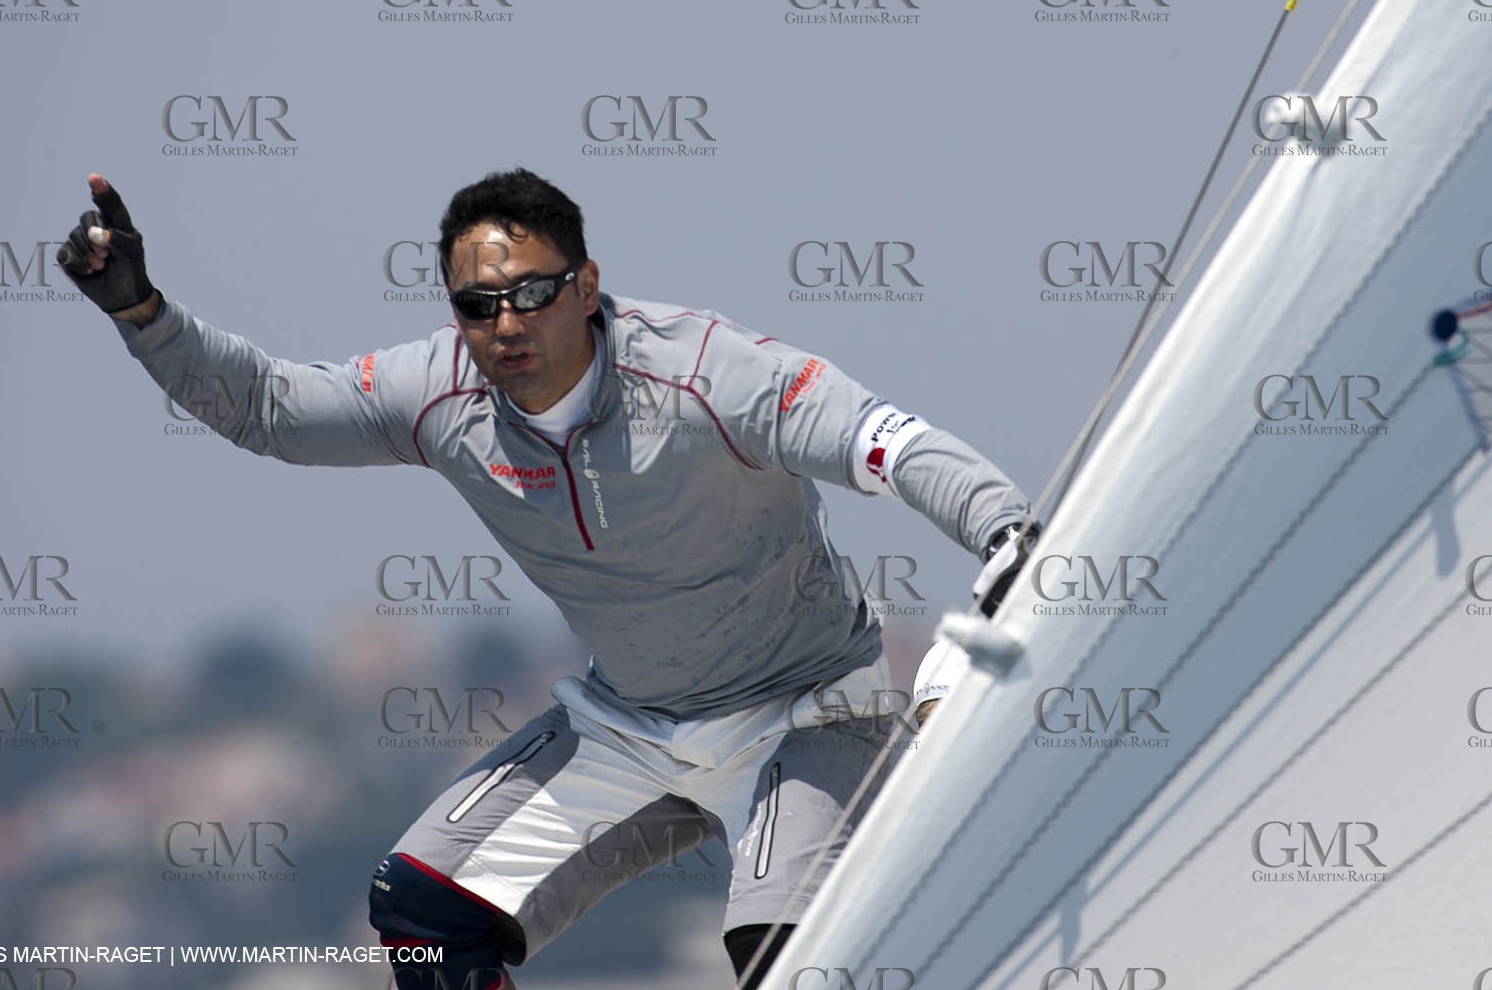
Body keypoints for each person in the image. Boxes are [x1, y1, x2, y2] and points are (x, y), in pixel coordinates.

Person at [55, 168, 1036, 989]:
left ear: (586, 285)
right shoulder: (438, 391)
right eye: (477, 304)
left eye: (531, 292)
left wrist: (1002, 529)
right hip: (632, 723)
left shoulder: (708, 374)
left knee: (783, 960)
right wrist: (144, 313)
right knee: (424, 911)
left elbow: (887, 440)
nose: (506, 322)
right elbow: (270, 407)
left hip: (807, 712)